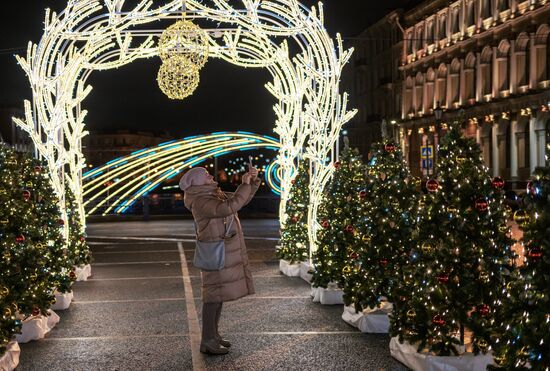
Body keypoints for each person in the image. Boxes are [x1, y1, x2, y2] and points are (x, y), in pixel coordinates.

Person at [180, 165, 260, 355]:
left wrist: (251, 182)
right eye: (205, 175)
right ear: (197, 183)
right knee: (212, 297)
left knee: (218, 296)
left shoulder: (213, 194)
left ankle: (214, 336)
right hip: (214, 253)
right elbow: (229, 207)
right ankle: (207, 340)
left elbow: (241, 199)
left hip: (222, 250)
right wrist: (244, 185)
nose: (209, 176)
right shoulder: (200, 201)